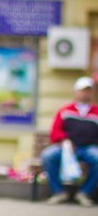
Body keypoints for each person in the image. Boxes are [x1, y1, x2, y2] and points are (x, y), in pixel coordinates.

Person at [42, 76, 98, 207]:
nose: (85, 93)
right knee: (47, 155)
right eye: (82, 90)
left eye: (88, 90)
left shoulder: (96, 112)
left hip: (88, 148)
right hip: (66, 147)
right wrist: (64, 141)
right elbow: (55, 131)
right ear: (76, 92)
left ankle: (84, 193)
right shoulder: (65, 110)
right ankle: (59, 192)